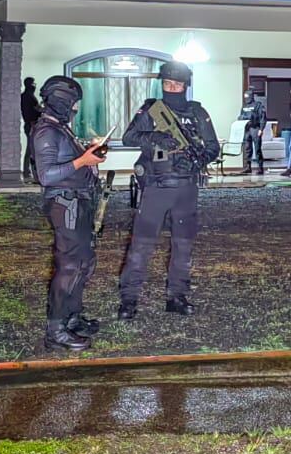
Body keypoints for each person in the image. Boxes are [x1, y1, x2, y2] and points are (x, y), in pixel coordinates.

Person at [117, 60, 219, 318]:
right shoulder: (152, 109)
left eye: (177, 84)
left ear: (186, 86)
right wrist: (154, 138)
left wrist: (196, 160)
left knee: (183, 247)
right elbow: (128, 137)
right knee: (141, 246)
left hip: (186, 187)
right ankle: (129, 300)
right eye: (167, 83)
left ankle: (177, 296)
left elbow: (212, 147)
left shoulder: (197, 113)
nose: (172, 88)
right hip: (156, 187)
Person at [31, 76, 109, 351]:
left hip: (79, 203)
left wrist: (88, 156)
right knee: (69, 266)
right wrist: (83, 160)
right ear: (62, 101)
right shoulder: (46, 132)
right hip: (66, 205)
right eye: (73, 103)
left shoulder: (60, 129)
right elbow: (46, 175)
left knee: (83, 264)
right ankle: (56, 329)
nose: (76, 108)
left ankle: (72, 318)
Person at [236, 87, 267, 175]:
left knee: (257, 149)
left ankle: (260, 168)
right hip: (246, 129)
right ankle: (247, 167)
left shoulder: (258, 105)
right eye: (245, 96)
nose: (246, 98)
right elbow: (240, 116)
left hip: (255, 128)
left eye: (247, 96)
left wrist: (261, 129)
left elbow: (262, 117)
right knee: (247, 149)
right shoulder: (244, 106)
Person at [20, 76, 42, 183]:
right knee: (31, 150)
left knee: (31, 149)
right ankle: (28, 173)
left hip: (30, 125)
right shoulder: (29, 97)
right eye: (33, 84)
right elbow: (34, 111)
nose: (34, 86)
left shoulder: (25, 96)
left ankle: (29, 172)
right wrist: (41, 110)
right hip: (32, 125)